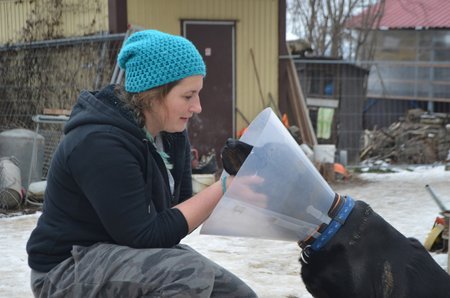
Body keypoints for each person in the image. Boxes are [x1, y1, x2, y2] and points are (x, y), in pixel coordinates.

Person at [26, 29, 257, 298]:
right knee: (188, 274)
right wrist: (224, 188)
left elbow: (174, 216)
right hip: (66, 270)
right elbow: (145, 235)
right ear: (152, 95)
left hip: (122, 255)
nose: (198, 107)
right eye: (188, 96)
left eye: (198, 94)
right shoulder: (99, 142)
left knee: (236, 295)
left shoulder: (170, 135)